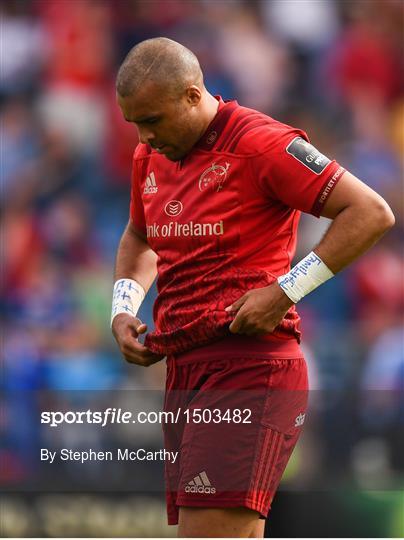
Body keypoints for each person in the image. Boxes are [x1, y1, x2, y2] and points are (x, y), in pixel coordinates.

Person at [111, 37, 395, 538]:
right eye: (135, 122)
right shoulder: (148, 157)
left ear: (194, 96)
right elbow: (139, 235)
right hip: (185, 368)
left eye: (153, 120)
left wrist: (285, 292)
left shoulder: (262, 142)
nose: (144, 136)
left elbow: (371, 212)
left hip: (249, 367)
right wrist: (124, 305)